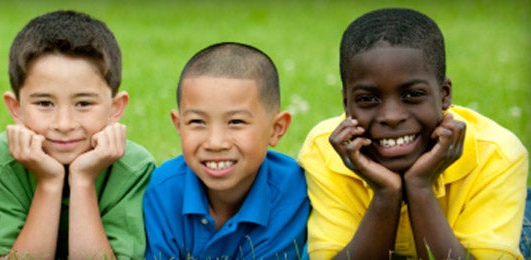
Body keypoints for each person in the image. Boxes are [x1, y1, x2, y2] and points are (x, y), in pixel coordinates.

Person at [300, 8, 527, 259]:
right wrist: (386, 195)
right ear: (346, 104)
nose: (392, 116)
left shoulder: (497, 153)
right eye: (367, 99)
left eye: (413, 95)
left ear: (444, 95)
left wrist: (420, 186)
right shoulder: (325, 148)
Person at [0, 10, 153, 259]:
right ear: (16, 108)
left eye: (84, 103)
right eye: (44, 103)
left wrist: (83, 180)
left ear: (115, 108)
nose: (64, 124)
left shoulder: (133, 168)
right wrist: (49, 183)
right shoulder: (1, 160)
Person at [143, 42, 306, 259]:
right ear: (178, 125)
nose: (215, 142)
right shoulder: (164, 190)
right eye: (198, 121)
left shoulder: (292, 192)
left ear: (276, 129)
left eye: (236, 121)